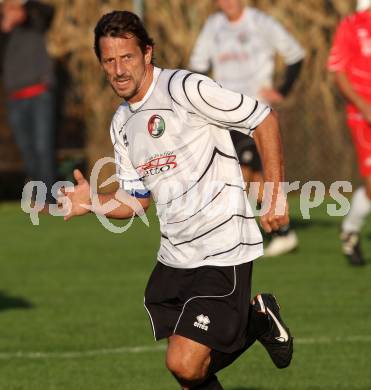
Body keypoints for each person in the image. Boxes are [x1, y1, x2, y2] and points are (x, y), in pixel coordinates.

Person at [59, 11, 293, 389]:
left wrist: (275, 192)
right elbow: (136, 200)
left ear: (148, 53)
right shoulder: (122, 122)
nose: (119, 70)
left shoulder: (186, 89)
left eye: (127, 57)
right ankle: (257, 321)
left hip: (222, 249)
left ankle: (257, 321)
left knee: (184, 362)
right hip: (174, 258)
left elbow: (263, 118)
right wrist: (93, 203)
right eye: (109, 60)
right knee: (192, 377)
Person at [189, 0, 305, 257]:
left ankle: (232, 235)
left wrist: (281, 90)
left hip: (254, 113)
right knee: (248, 176)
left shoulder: (260, 22)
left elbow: (295, 55)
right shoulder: (213, 26)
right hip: (222, 113)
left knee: (240, 173)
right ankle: (279, 230)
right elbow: (197, 66)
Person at [327, 0, 371, 266]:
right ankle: (351, 229)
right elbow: (338, 72)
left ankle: (350, 230)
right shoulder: (353, 25)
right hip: (363, 115)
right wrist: (364, 105)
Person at [0, 0, 56, 203]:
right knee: (27, 150)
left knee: (43, 148)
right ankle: (37, 194)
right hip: (15, 98)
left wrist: (23, 6)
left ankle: (48, 200)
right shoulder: (4, 31)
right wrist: (4, 30)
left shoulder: (34, 20)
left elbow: (49, 11)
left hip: (40, 93)